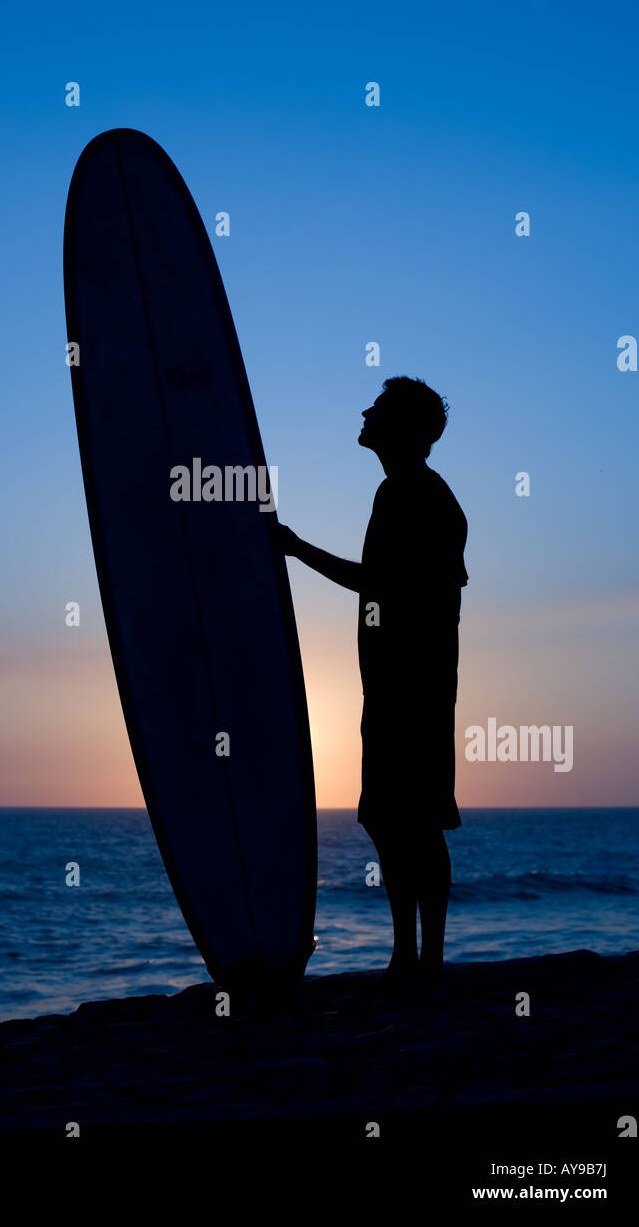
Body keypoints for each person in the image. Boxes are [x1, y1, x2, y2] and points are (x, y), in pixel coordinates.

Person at [278, 376, 468, 991]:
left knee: (414, 818)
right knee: (390, 819)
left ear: (403, 427)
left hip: (416, 685)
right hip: (390, 684)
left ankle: (425, 958)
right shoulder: (396, 491)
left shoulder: (422, 497)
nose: (364, 413)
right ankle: (407, 955)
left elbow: (380, 583)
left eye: (379, 409)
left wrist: (295, 548)